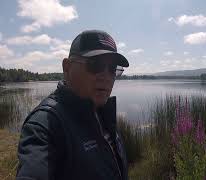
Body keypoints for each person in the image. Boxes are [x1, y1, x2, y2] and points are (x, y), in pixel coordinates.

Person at [16, 30, 129, 180]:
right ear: (67, 67)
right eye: (95, 65)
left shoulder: (102, 112)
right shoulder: (45, 124)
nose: (106, 77)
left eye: (112, 69)